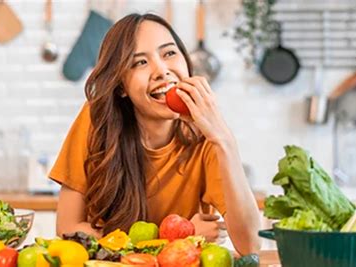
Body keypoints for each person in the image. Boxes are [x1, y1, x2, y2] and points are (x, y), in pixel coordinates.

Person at [49, 13, 261, 255]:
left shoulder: (207, 136)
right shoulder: (96, 120)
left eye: (169, 53)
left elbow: (250, 245)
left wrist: (224, 140)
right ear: (121, 87)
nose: (161, 71)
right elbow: (68, 230)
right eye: (140, 62)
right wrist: (178, 237)